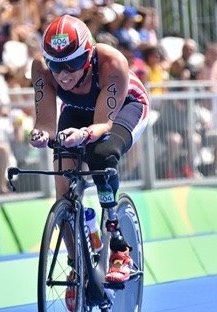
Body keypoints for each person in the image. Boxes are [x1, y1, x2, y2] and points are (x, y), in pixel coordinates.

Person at [29, 15, 150, 289]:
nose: (63, 74)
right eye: (56, 65)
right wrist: (40, 135)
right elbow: (46, 123)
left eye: (71, 64)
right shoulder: (42, 69)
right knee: (62, 181)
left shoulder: (112, 61)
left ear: (87, 55)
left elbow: (102, 125)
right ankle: (77, 267)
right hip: (77, 111)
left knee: (101, 155)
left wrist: (83, 135)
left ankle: (119, 245)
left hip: (123, 108)